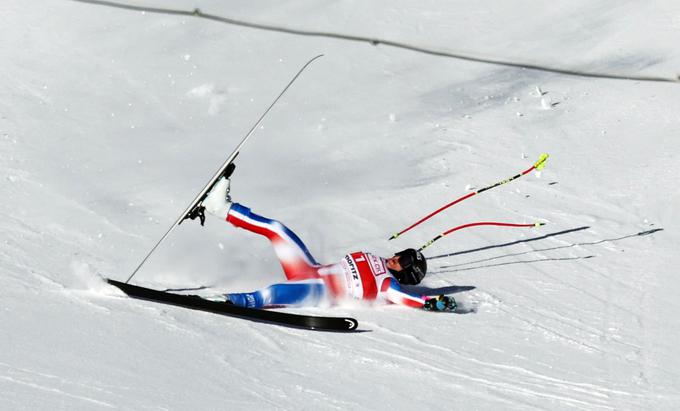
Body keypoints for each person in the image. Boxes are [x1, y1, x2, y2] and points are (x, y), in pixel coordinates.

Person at [199, 169, 456, 312]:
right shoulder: (378, 260)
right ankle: (221, 208)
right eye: (404, 252)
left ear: (407, 275)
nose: (397, 257)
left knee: (274, 293)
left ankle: (230, 302)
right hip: (308, 270)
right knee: (278, 230)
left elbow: (406, 299)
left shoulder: (387, 284)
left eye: (405, 260)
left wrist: (432, 302)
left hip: (317, 291)